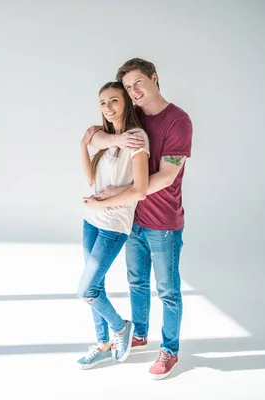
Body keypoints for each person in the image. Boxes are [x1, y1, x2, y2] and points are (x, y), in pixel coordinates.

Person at [88, 58, 193, 379]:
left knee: (168, 290)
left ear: (155, 79)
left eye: (139, 83)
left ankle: (170, 350)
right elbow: (92, 136)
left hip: (164, 222)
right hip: (132, 220)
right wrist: (115, 139)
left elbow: (166, 176)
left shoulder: (178, 120)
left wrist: (112, 196)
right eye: (128, 87)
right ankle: (140, 333)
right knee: (136, 283)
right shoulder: (133, 118)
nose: (134, 91)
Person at [76, 81, 150, 369]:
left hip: (114, 224)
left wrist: (102, 203)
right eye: (102, 103)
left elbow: (140, 190)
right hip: (91, 221)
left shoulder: (137, 138)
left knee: (86, 290)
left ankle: (121, 329)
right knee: (97, 286)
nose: (107, 108)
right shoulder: (106, 139)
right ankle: (103, 343)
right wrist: (83, 144)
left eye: (113, 101)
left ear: (126, 103)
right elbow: (91, 179)